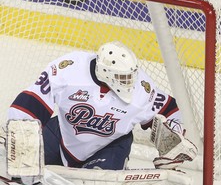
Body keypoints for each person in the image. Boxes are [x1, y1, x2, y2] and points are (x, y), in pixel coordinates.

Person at [6, 41, 197, 171]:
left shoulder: (142, 89)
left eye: (130, 75)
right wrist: (18, 132)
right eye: (123, 77)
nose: (129, 81)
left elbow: (170, 110)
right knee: (14, 163)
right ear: (105, 72)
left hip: (110, 145)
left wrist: (173, 143)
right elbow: (34, 99)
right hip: (63, 134)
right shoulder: (70, 70)